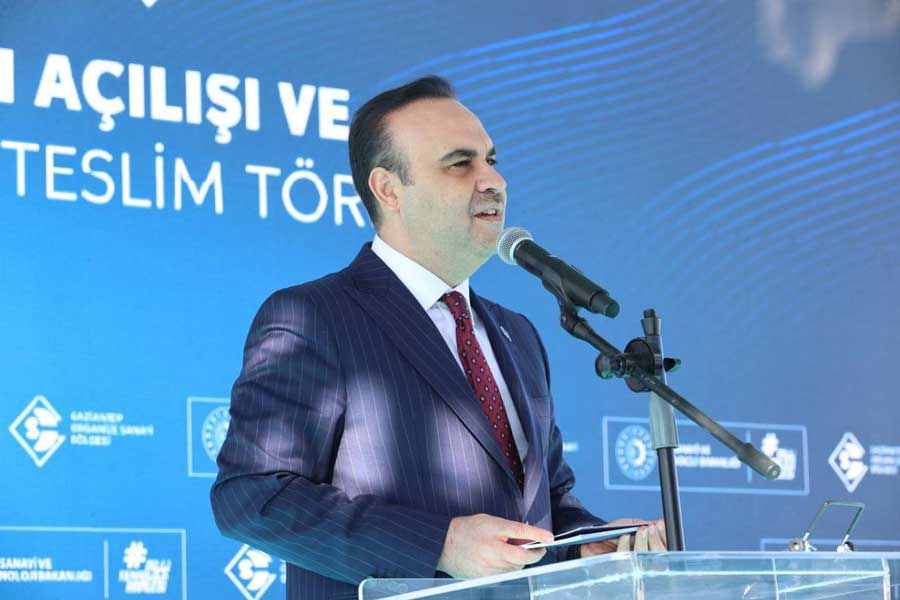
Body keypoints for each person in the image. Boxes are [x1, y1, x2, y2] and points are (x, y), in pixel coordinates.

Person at [210, 75, 665, 600]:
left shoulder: (518, 335)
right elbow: (251, 497)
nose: (493, 180)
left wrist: (587, 543)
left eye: (491, 160)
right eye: (460, 163)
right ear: (389, 189)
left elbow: (547, 504)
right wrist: (439, 544)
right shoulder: (314, 317)